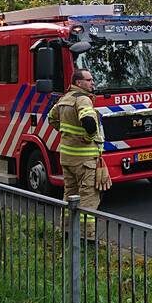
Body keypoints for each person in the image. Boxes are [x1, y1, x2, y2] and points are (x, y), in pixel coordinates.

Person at [47, 69, 111, 241]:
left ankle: (67, 232)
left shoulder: (64, 99)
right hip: (85, 160)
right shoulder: (83, 100)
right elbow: (89, 122)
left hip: (67, 158)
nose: (92, 83)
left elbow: (51, 119)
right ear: (78, 82)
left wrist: (68, 135)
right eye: (89, 80)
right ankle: (87, 238)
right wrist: (88, 136)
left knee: (70, 195)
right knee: (89, 198)